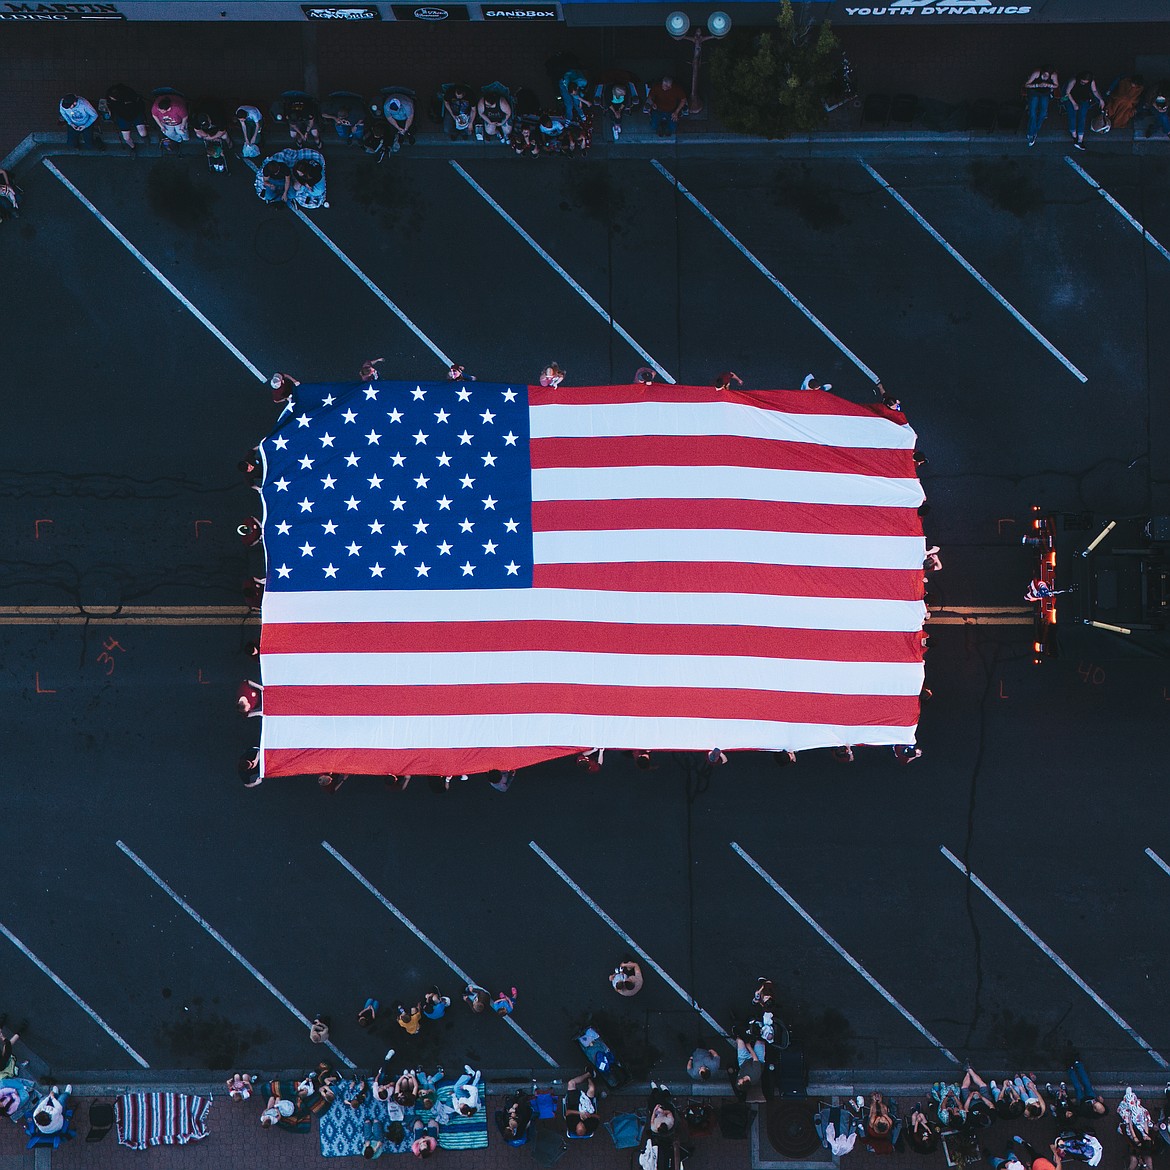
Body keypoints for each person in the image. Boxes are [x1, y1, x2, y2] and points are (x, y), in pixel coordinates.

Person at [1062, 72, 1103, 151]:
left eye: (1085, 82)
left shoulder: (1091, 81)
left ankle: (1080, 139)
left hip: (1084, 99)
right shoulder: (1073, 80)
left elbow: (1094, 91)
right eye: (1082, 81)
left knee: (1082, 117)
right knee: (1072, 116)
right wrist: (1074, 104)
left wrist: (1100, 99)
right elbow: (1067, 92)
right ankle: (1074, 135)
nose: (1083, 83)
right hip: (1072, 98)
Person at [102, 84, 148, 150]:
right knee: (126, 138)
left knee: (143, 133)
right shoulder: (110, 99)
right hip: (122, 118)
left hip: (135, 114)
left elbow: (140, 107)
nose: (111, 98)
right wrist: (108, 111)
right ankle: (133, 148)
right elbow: (108, 106)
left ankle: (145, 138)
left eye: (113, 97)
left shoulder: (131, 98)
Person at [1022, 68, 1059, 146]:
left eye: (1047, 76)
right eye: (1044, 75)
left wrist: (1049, 85)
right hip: (1034, 92)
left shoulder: (1053, 75)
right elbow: (1027, 84)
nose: (1046, 77)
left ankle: (1033, 131)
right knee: (1033, 114)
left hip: (1045, 94)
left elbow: (1056, 85)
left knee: (1043, 114)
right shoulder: (1036, 73)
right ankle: (1032, 133)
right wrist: (1037, 85)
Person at [565, 1071, 598, 1136]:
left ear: (575, 1129)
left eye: (579, 1126)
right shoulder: (591, 1126)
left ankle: (588, 1074)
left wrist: (580, 1113)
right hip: (587, 1105)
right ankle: (589, 1078)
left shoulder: (571, 1125)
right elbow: (598, 1117)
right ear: (585, 1129)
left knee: (571, 1083)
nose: (581, 1123)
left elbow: (567, 1112)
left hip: (574, 1104)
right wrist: (590, 1115)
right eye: (583, 1126)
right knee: (592, 1088)